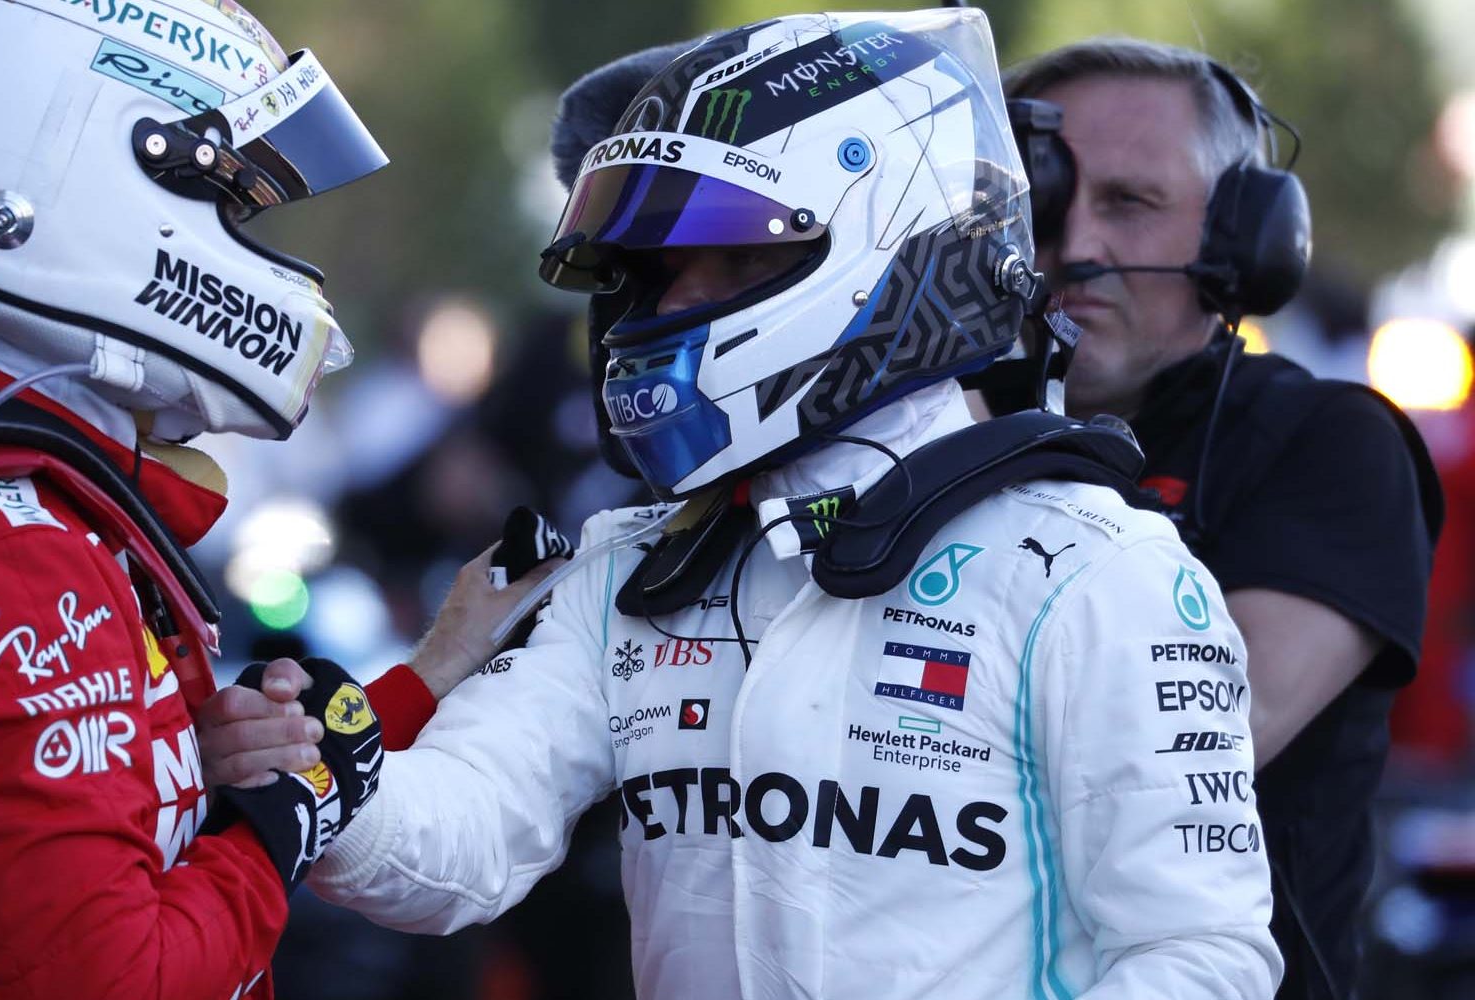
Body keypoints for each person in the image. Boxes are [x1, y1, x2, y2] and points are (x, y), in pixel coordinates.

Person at [211, 10, 1282, 998]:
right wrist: (326, 776)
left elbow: (1202, 957)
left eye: (732, 258)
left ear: (887, 249)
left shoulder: (1096, 569)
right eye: (655, 268)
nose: (670, 305)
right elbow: (467, 842)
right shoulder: (631, 567)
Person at [0, 1, 488, 996]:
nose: (245, 243)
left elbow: (99, 847)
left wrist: (403, 689)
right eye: (228, 204)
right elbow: (118, 979)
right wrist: (286, 816)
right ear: (86, 184)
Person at [1006, 40, 1441, 1000]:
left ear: (1243, 240)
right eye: (1041, 202)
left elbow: (1191, 749)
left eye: (1130, 202)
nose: (1077, 246)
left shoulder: (1331, 445)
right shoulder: (922, 442)